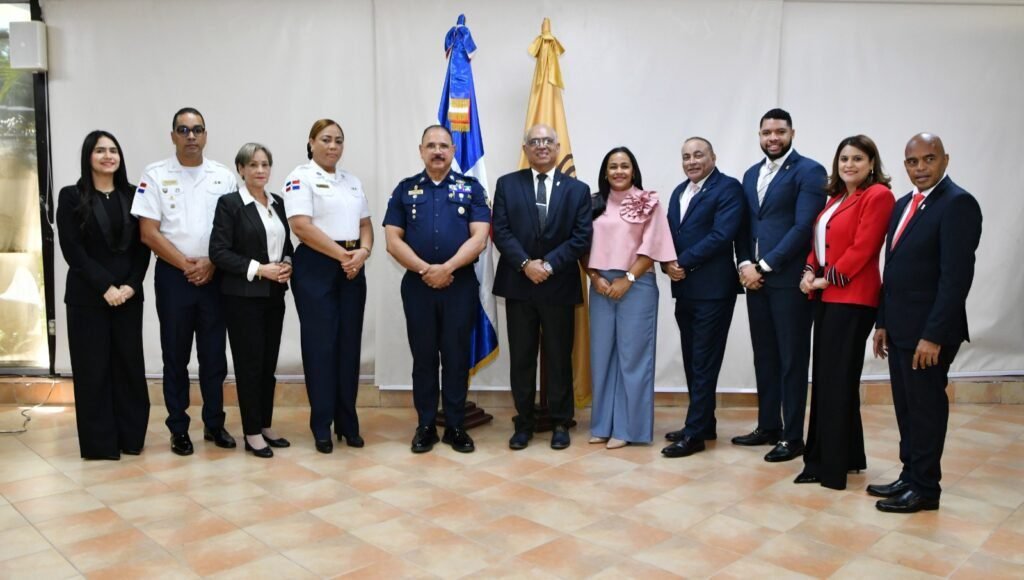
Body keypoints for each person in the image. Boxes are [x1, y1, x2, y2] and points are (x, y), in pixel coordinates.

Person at [869, 133, 981, 513]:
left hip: (929, 334)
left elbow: (955, 279)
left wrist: (933, 335)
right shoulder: (904, 205)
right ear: (905, 166)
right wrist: (882, 321)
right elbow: (892, 269)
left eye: (929, 159)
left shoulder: (958, 204)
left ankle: (926, 488)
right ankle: (909, 475)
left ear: (945, 159)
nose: (921, 168)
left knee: (926, 409)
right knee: (906, 407)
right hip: (899, 327)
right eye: (913, 161)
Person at [132, 107, 238, 456]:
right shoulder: (155, 174)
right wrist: (186, 265)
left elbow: (233, 230)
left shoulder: (223, 176)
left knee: (214, 356)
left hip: (215, 276)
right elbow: (148, 232)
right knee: (175, 356)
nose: (191, 136)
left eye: (197, 129)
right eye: (183, 129)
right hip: (173, 277)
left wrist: (211, 263)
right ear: (173, 136)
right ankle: (178, 428)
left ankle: (214, 423)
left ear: (205, 135)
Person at [794, 135, 895, 489]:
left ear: (871, 163)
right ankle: (846, 456)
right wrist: (809, 272)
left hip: (853, 298)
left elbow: (864, 248)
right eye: (844, 159)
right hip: (827, 296)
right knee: (828, 379)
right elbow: (819, 243)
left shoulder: (878, 196)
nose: (849, 165)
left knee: (835, 381)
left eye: (857, 159)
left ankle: (829, 468)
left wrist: (826, 279)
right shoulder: (836, 198)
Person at [383, 125, 490, 453]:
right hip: (418, 286)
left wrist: (447, 268)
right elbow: (392, 240)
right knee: (424, 357)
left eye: (444, 145)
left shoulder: (471, 189)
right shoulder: (405, 189)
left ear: (453, 151)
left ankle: (455, 426)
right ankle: (426, 425)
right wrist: (425, 269)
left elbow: (479, 238)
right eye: (431, 145)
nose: (438, 151)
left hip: (459, 284)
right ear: (421, 151)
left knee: (456, 357)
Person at [733, 108, 827, 462]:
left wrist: (765, 265)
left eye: (779, 132)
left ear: (792, 133)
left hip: (789, 281)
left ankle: (792, 436)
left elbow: (804, 227)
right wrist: (745, 264)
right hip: (755, 282)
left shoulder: (810, 171)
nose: (773, 138)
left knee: (792, 359)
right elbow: (744, 225)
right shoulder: (750, 174)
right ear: (759, 135)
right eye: (766, 132)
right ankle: (768, 426)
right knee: (765, 356)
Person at [492, 124, 592, 451]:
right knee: (522, 358)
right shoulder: (507, 184)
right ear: (526, 148)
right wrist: (526, 264)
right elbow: (501, 231)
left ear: (558, 147)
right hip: (519, 284)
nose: (541, 146)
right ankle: (523, 422)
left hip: (558, 285)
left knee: (559, 358)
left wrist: (547, 265)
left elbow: (581, 237)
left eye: (547, 140)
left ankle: (561, 422)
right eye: (534, 141)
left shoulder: (578, 190)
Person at [57, 130, 151, 460]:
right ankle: (100, 444)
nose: (108, 156)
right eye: (100, 150)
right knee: (92, 370)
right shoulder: (71, 196)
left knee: (129, 368)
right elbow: (73, 249)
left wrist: (131, 285)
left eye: (113, 150)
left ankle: (131, 438)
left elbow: (144, 245)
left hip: (128, 296)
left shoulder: (134, 195)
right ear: (88, 156)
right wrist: (105, 287)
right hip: (88, 298)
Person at [283, 119, 373, 454]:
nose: (333, 146)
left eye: (338, 140)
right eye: (325, 139)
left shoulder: (352, 181)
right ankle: (322, 425)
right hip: (317, 265)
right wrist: (342, 255)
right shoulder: (299, 177)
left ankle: (347, 423)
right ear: (311, 142)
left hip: (351, 266)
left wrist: (362, 252)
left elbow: (365, 224)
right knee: (321, 347)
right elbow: (301, 227)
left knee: (349, 345)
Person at [585, 147, 675, 449]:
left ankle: (628, 428)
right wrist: (594, 277)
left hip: (636, 285)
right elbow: (581, 244)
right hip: (601, 286)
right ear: (605, 171)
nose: (619, 171)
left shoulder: (648, 201)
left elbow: (653, 246)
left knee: (633, 358)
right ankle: (602, 425)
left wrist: (628, 279)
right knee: (601, 356)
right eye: (613, 166)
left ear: (633, 170)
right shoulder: (593, 203)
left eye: (624, 166)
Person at [660, 137, 745, 458]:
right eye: (686, 157)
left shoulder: (728, 188)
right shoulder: (679, 192)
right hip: (685, 290)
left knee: (704, 361)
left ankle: (694, 433)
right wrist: (666, 262)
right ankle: (704, 423)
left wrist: (681, 261)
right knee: (692, 360)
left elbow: (721, 236)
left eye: (698, 155)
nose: (692, 161)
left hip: (713, 291)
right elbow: (669, 235)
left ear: (713, 157)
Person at [209, 143, 294, 458]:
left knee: (268, 365)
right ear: (241, 169)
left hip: (274, 295)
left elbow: (287, 245)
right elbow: (219, 252)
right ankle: (252, 432)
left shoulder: (278, 202)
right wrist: (260, 269)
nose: (260, 170)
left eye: (265, 164)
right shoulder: (230, 204)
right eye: (253, 165)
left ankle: (265, 424)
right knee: (250, 366)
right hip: (243, 299)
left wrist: (287, 263)